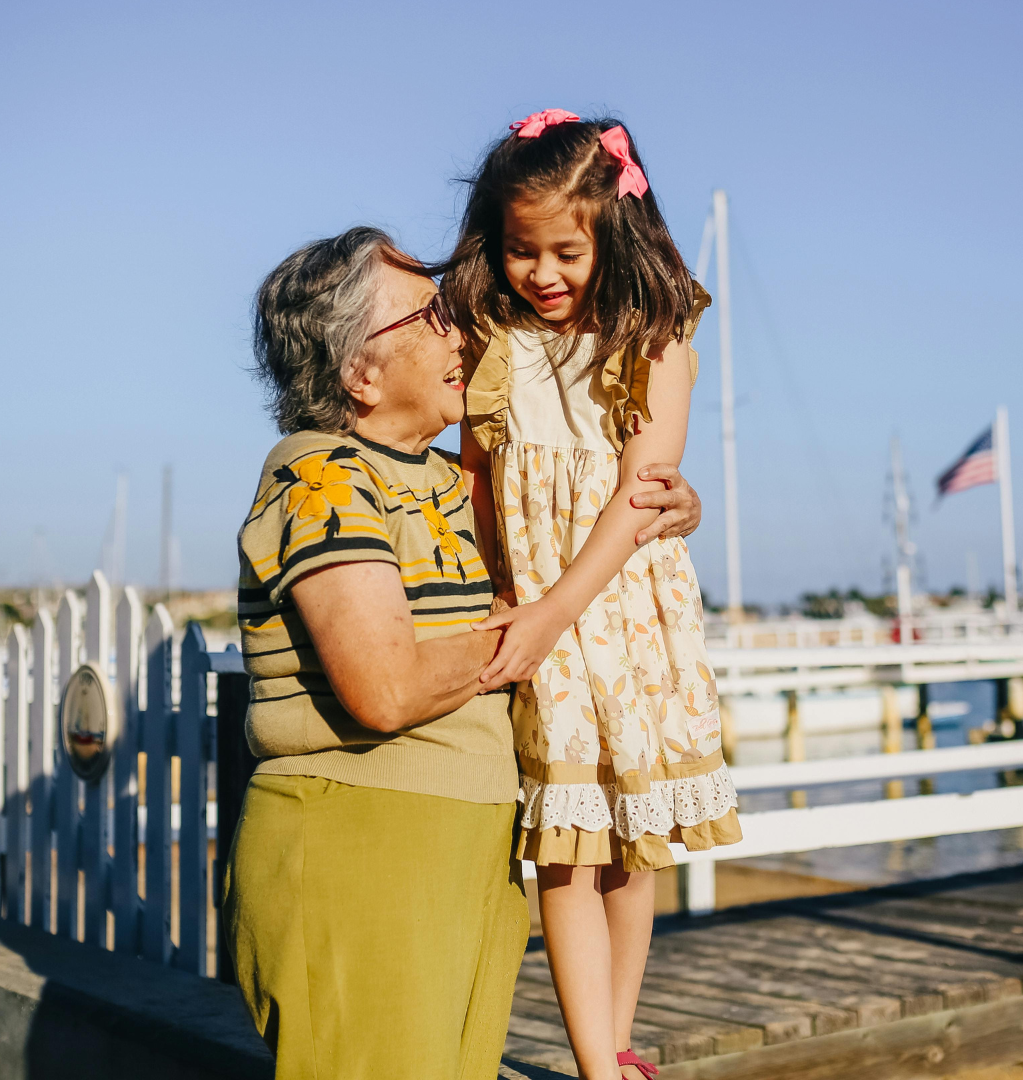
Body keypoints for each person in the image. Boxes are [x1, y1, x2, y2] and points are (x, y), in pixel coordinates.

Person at [225, 225, 704, 1080]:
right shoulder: (324, 477)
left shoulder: (447, 481)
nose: (463, 330)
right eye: (432, 314)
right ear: (357, 372)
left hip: (463, 856)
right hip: (363, 851)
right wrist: (529, 628)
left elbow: (576, 503)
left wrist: (665, 508)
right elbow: (386, 687)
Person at [445, 110, 742, 1080]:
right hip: (533, 612)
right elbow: (480, 481)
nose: (543, 273)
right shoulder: (494, 343)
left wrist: (555, 608)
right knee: (565, 848)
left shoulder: (654, 342)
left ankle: (612, 1044)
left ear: (613, 234)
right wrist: (500, 594)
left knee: (628, 842)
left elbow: (642, 493)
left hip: (620, 613)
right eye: (521, 250)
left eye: (566, 251)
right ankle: (594, 1063)